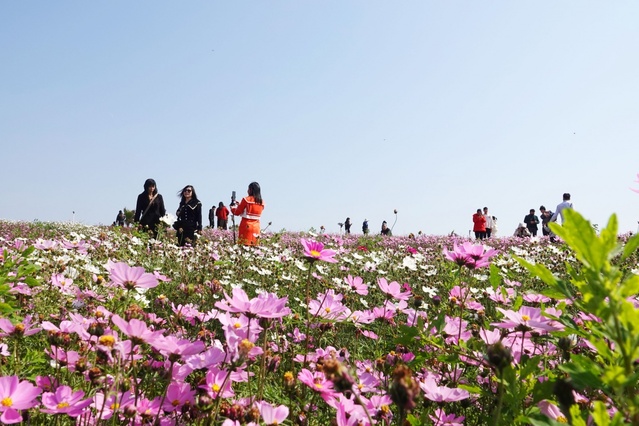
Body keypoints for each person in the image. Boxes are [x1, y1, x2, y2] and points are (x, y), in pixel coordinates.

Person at [231, 182, 265, 246]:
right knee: (254, 247)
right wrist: (240, 204)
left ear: (251, 190)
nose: (247, 191)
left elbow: (237, 212)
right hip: (256, 227)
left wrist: (232, 208)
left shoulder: (246, 199)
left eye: (248, 189)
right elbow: (252, 211)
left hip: (246, 226)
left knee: (243, 246)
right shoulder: (262, 202)